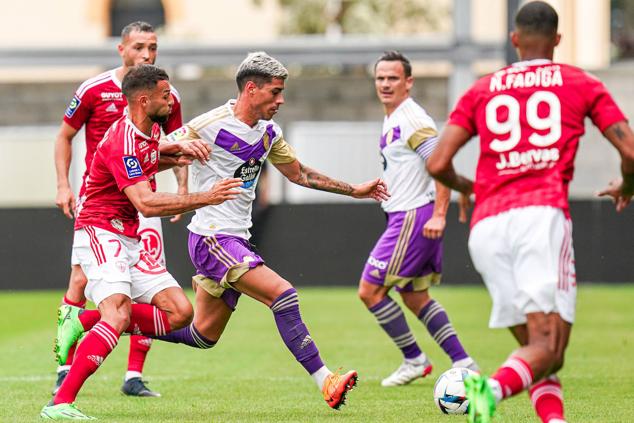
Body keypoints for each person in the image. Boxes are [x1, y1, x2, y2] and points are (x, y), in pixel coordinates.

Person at [426, 2, 634, 422]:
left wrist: (472, 188)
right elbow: (630, 150)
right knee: (549, 347)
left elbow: (436, 164)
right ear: (557, 40)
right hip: (540, 218)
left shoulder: (482, 88)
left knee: (539, 352)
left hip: (486, 227)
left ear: (514, 39)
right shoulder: (580, 82)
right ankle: (488, 394)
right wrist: (627, 185)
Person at [155, 51, 389, 410]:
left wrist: (354, 190)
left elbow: (300, 174)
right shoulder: (210, 123)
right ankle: (325, 379)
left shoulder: (268, 132)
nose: (281, 100)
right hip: (213, 237)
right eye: (275, 92)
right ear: (251, 89)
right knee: (283, 295)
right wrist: (178, 153)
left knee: (202, 336)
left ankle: (111, 320)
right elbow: (152, 150)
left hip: (235, 238)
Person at [41, 64, 243, 420]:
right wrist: (206, 197)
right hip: (100, 230)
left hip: (128, 234)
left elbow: (150, 159)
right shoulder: (123, 140)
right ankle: (59, 404)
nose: (172, 100)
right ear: (144, 100)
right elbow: (147, 203)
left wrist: (179, 151)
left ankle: (86, 321)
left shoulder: (146, 131)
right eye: (166, 96)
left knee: (180, 313)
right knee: (117, 313)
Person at [53, 21, 186, 397]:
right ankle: (65, 366)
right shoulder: (94, 89)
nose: (147, 54)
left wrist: (183, 186)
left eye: (153, 47)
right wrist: (63, 185)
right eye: (140, 47)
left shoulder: (165, 93)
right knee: (81, 281)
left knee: (150, 278)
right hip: (101, 201)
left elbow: (175, 142)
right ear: (122, 49)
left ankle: (133, 375)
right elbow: (65, 135)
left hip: (145, 197)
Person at [357, 51, 478, 388]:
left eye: (392, 78)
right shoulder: (394, 116)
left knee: (369, 291)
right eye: (380, 78)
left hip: (413, 217)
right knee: (415, 297)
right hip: (406, 214)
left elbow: (440, 164)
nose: (385, 84)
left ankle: (414, 359)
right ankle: (464, 362)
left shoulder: (411, 118)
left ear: (408, 82)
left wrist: (441, 213)